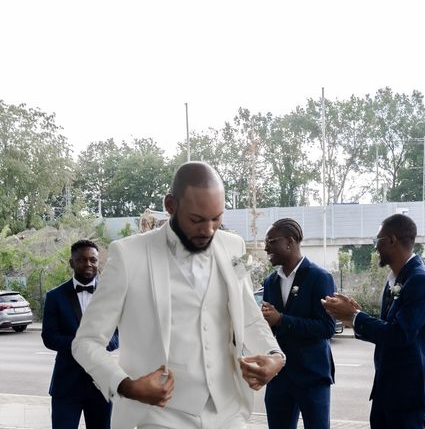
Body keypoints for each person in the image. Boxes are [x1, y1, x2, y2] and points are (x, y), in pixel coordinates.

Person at [72, 161, 284, 429]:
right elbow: (86, 342)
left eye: (216, 219)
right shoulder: (128, 256)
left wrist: (275, 356)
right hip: (159, 415)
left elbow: (248, 318)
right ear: (170, 205)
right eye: (196, 219)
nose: (208, 230)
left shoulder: (233, 246)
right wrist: (127, 386)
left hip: (228, 411)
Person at [322, 213, 425, 429]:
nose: (375, 247)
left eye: (378, 241)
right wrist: (355, 315)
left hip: (408, 391)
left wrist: (355, 317)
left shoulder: (420, 280)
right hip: (387, 387)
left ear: (393, 240)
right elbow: (388, 327)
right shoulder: (396, 278)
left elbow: (400, 334)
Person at [261, 218, 336, 429]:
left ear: (289, 242)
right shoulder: (270, 282)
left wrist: (282, 320)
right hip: (279, 377)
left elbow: (327, 328)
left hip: (312, 376)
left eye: (270, 241)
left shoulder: (319, 277)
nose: (266, 247)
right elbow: (269, 328)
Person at [42, 239, 119, 429]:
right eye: (82, 260)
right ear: (72, 263)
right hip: (66, 385)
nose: (88, 264)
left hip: (100, 383)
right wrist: (81, 345)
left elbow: (116, 336)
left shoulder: (111, 294)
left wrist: (97, 345)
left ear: (98, 261)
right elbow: (49, 337)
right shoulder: (55, 296)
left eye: (93, 260)